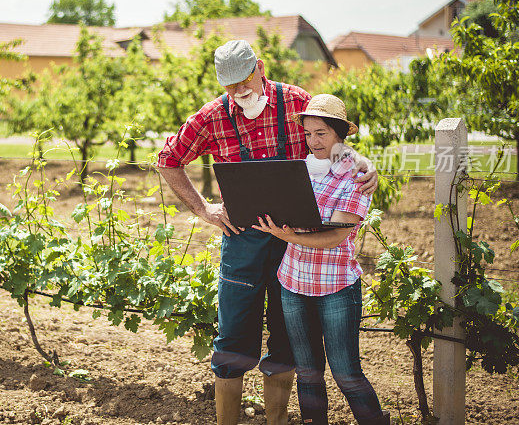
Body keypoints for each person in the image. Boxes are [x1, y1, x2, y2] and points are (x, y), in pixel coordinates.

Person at [156, 40, 378, 425]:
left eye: (244, 81)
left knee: (285, 336)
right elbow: (167, 160)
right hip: (241, 239)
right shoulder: (211, 117)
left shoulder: (296, 102)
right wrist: (203, 208)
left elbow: (331, 143)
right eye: (229, 86)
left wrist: (364, 164)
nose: (239, 92)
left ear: (259, 67)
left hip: (294, 243)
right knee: (233, 338)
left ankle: (275, 419)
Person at [252, 93, 390, 425]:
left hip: (336, 286)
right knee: (308, 372)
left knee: (346, 375)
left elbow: (337, 235)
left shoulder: (356, 175)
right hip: (294, 283)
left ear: (340, 135)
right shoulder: (300, 168)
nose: (313, 141)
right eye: (309, 133)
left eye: (322, 134)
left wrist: (290, 237)